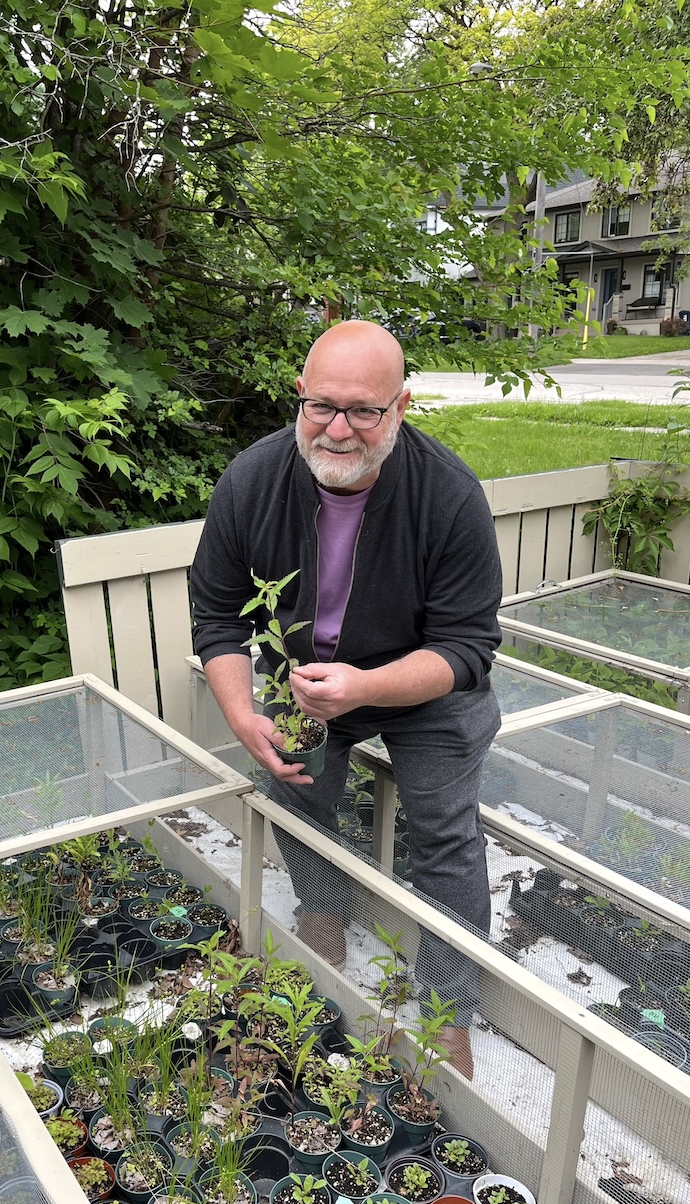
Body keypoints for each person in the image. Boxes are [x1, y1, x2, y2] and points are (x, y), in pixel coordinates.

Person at [190, 319, 502, 1079]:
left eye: (363, 410)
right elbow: (218, 614)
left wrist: (365, 686)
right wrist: (241, 712)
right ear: (299, 396)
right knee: (294, 790)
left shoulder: (450, 496)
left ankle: (446, 1011)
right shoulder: (254, 479)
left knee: (444, 836)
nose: (338, 429)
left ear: (401, 407)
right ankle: (323, 915)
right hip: (305, 680)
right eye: (321, 406)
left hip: (425, 689)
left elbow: (467, 648)